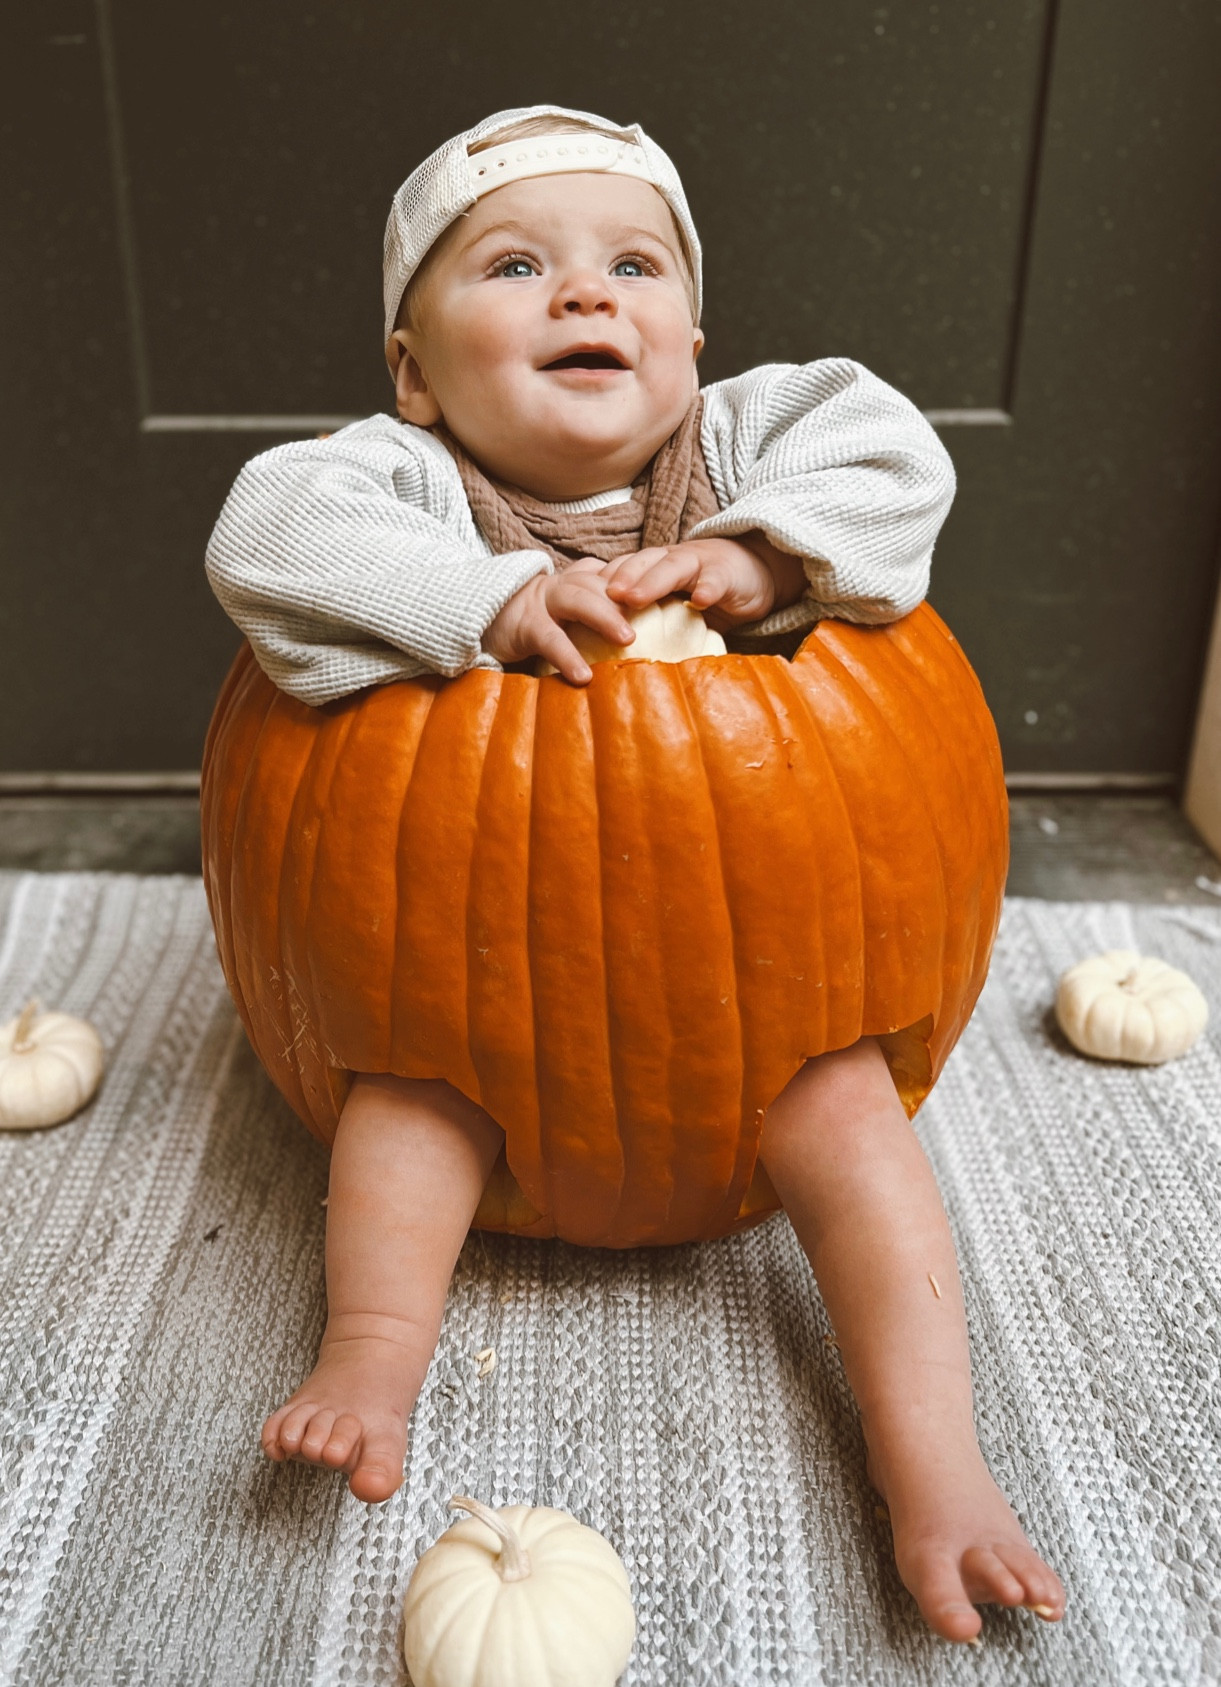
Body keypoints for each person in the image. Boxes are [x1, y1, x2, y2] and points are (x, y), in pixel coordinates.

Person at [205, 104, 1065, 1644]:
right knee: (402, 1109)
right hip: (464, 982)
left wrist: (766, 555)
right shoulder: (394, 480)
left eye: (632, 266)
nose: (582, 293)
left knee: (851, 1121)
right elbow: (267, 537)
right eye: (512, 265)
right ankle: (370, 1354)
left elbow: (891, 453)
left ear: (692, 343)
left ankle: (934, 1461)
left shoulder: (738, 444)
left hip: (760, 992)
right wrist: (482, 602)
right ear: (414, 370)